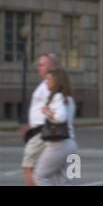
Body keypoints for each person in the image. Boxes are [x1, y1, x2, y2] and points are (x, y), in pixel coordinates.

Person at [33, 69, 78, 186]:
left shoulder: (57, 97)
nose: (46, 82)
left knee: (39, 176)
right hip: (71, 144)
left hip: (58, 145)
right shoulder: (68, 99)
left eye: (48, 79)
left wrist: (47, 112)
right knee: (65, 182)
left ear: (57, 81)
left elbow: (61, 117)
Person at [21, 53, 58, 186]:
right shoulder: (45, 84)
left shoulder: (50, 85)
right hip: (40, 131)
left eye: (42, 64)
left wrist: (39, 125)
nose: (38, 67)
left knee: (28, 167)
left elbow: (53, 108)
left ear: (51, 66)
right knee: (40, 171)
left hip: (41, 133)